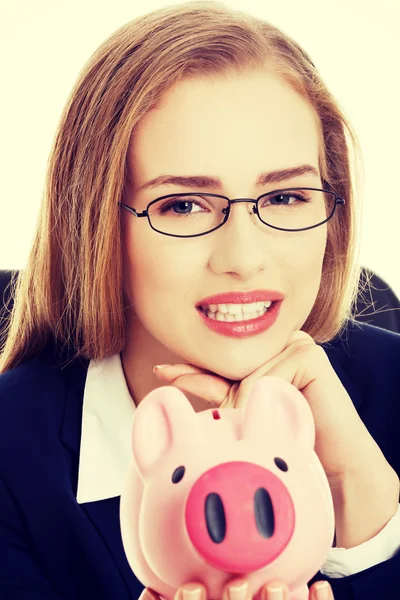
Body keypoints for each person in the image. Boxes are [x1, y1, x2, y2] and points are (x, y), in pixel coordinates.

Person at [1, 1, 400, 599]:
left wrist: (365, 520)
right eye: (182, 205)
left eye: (287, 197)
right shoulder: (12, 453)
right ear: (96, 226)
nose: (243, 257)